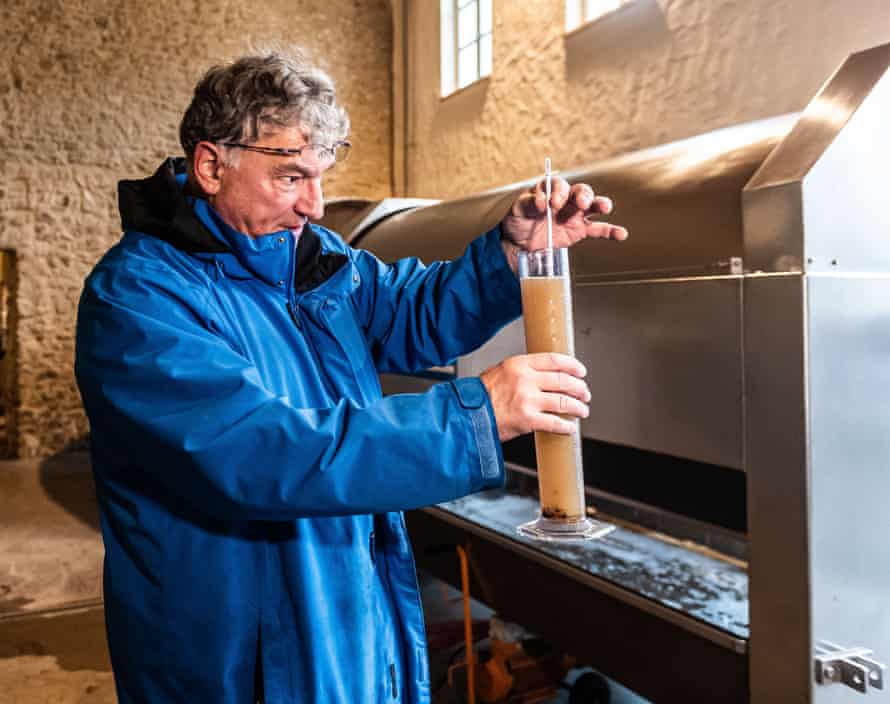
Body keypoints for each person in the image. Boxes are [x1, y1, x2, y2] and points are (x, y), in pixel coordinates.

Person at [75, 47, 627, 704]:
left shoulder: (307, 259)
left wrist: (507, 255)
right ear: (211, 165)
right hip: (236, 656)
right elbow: (260, 452)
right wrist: (475, 412)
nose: (314, 204)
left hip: (346, 624)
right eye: (289, 177)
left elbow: (412, 312)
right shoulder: (138, 300)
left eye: (321, 175)